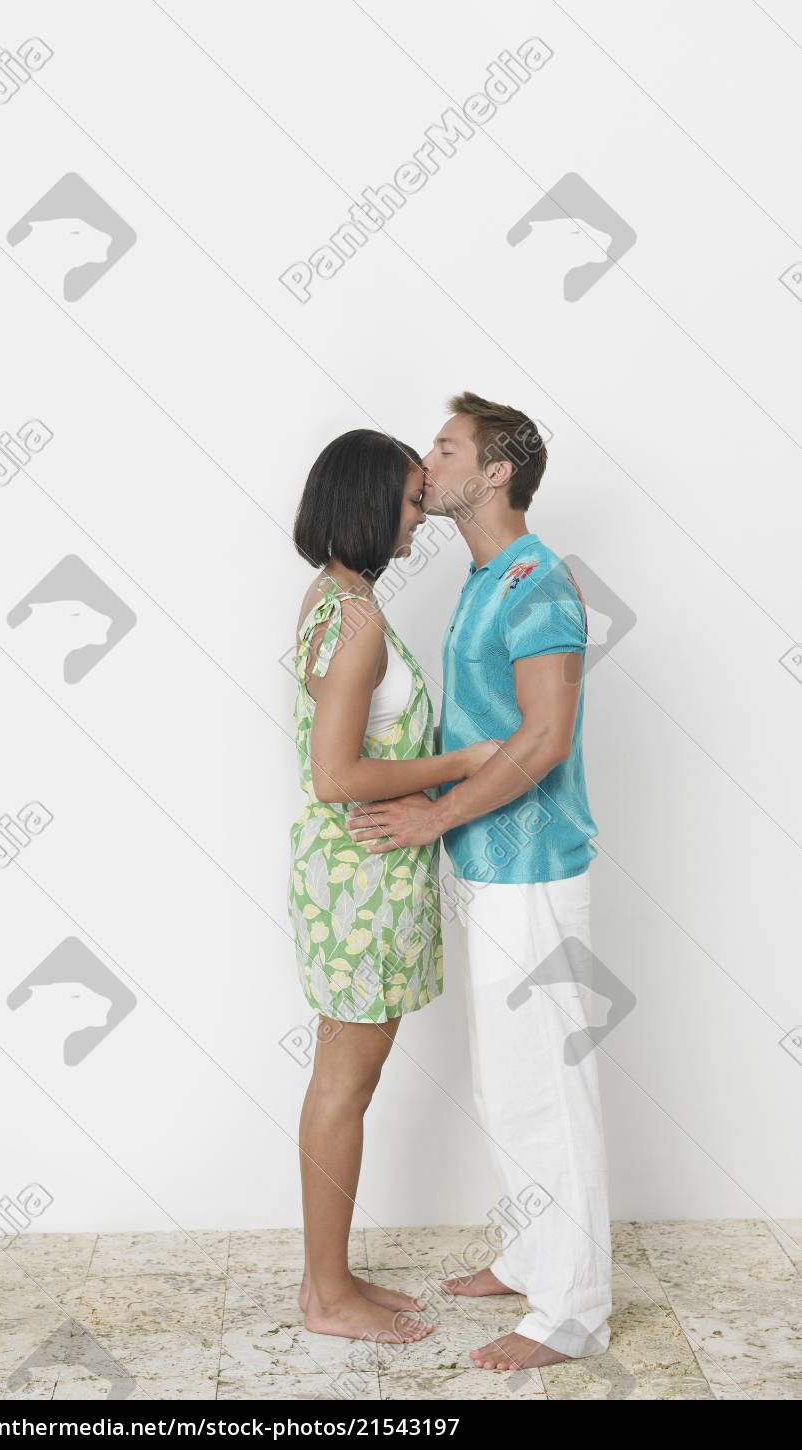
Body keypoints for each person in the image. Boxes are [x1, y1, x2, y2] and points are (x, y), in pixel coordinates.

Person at [347, 392, 612, 1372]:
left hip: (533, 867)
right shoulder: (484, 575)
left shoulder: (539, 583)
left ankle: (573, 1310)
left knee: (549, 1085)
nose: (428, 461)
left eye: (446, 447)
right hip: (487, 869)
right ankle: (532, 1252)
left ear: (495, 471)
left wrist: (430, 814)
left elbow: (542, 740)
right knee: (508, 1084)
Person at [290, 429, 500, 1343]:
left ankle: (329, 1281)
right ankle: (327, 1296)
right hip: (360, 881)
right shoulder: (357, 619)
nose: (423, 517)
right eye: (414, 500)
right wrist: (460, 762)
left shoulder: (337, 598)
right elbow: (334, 774)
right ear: (371, 501)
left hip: (359, 874)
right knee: (345, 1085)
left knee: (347, 1080)